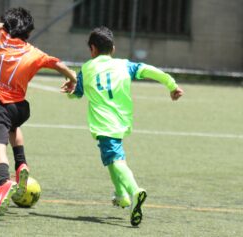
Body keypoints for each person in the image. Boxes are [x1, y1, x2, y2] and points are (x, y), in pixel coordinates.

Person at [61, 26, 184, 226]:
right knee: (110, 158)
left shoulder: (86, 68)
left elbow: (77, 94)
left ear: (92, 49)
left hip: (103, 123)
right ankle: (121, 195)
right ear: (113, 48)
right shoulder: (124, 65)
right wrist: (171, 85)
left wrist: (69, 89)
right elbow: (148, 70)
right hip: (121, 120)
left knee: (116, 160)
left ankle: (135, 191)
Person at [0, 7, 76, 215]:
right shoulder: (33, 53)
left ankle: (3, 184)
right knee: (13, 126)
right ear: (28, 33)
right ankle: (21, 164)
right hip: (21, 108)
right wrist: (72, 78)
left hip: (1, 105)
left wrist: (3, 23)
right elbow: (57, 64)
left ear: (6, 27)